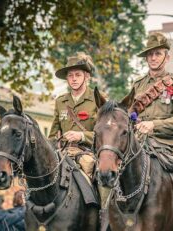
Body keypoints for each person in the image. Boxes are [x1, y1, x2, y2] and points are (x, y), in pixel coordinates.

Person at [124, 32, 173, 221]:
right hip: (140, 143)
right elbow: (129, 116)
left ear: (167, 57)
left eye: (157, 54)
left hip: (171, 144)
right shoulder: (138, 85)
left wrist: (154, 125)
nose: (153, 58)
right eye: (150, 54)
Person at [48, 52, 110, 225]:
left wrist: (82, 135)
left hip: (89, 152)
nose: (73, 79)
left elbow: (107, 133)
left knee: (100, 175)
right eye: (70, 75)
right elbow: (53, 134)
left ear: (87, 76)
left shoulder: (98, 99)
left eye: (78, 75)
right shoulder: (61, 101)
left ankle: (103, 215)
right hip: (63, 153)